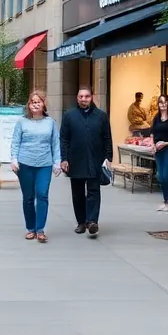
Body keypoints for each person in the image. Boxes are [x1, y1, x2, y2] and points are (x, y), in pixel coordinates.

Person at [60, 87, 113, 237]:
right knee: (77, 193)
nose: (84, 99)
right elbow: (64, 138)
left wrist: (108, 157)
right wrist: (64, 158)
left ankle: (92, 221)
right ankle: (81, 222)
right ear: (77, 98)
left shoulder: (101, 116)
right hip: (75, 160)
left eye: (87, 96)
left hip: (95, 160)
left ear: (92, 97)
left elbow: (107, 137)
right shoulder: (69, 116)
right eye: (81, 96)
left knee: (94, 192)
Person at [10, 90, 61, 243]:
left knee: (42, 194)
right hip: (25, 163)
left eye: (38, 101)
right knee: (28, 197)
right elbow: (15, 141)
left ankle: (40, 229)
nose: (35, 104)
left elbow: (55, 143)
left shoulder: (50, 122)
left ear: (43, 104)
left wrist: (57, 162)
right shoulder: (21, 122)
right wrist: (14, 159)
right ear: (29, 105)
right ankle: (30, 228)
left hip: (44, 163)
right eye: (33, 102)